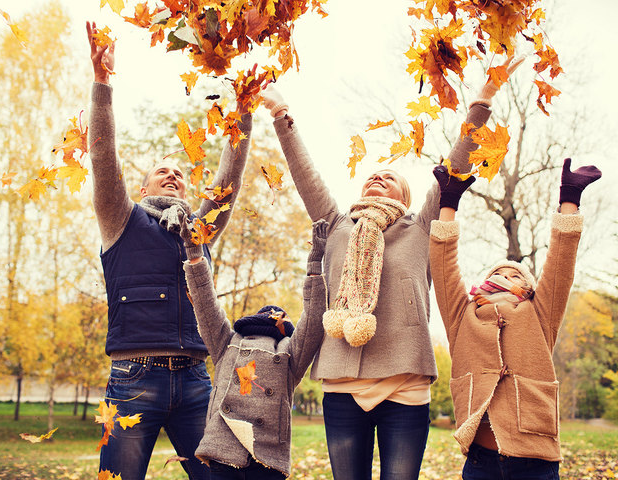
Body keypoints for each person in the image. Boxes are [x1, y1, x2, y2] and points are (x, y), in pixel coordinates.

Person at [257, 57, 522, 480]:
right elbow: (303, 173)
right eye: (372, 176)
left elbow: (455, 166)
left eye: (389, 177)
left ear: (406, 194)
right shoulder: (338, 223)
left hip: (405, 384)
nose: (377, 178)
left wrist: (482, 101)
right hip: (343, 381)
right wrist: (280, 114)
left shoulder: (419, 227)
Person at [86, 21, 252, 480]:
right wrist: (102, 85)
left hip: (197, 380)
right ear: (140, 187)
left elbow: (227, 187)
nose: (173, 175)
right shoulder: (122, 217)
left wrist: (243, 114)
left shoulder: (196, 231)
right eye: (162, 171)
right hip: (133, 379)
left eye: (179, 171)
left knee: (221, 476)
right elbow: (102, 160)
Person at [428, 159, 601, 480]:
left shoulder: (539, 312)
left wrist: (569, 199)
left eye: (515, 275)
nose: (506, 276)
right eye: (498, 274)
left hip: (534, 460)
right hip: (481, 461)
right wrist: (448, 203)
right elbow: (443, 266)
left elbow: (560, 264)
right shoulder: (463, 314)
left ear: (529, 289)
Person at [180, 220, 328, 479]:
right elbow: (206, 306)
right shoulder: (230, 341)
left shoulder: (288, 350)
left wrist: (315, 266)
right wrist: (194, 255)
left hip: (267, 453)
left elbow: (314, 322)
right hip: (223, 445)